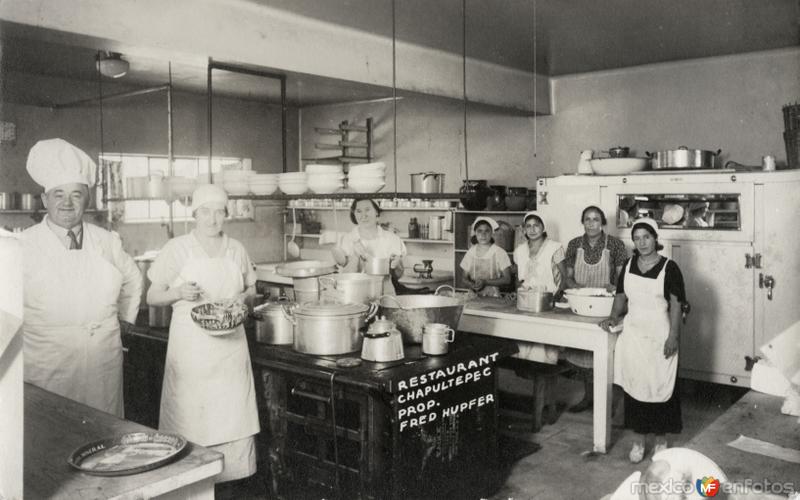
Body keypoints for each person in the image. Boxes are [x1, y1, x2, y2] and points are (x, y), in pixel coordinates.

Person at [147, 184, 259, 485]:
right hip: (192, 350)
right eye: (206, 212)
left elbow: (252, 288)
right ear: (195, 214)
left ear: (226, 215)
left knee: (232, 418)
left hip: (231, 349)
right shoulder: (178, 248)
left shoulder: (236, 248)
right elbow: (152, 296)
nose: (213, 219)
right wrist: (177, 292)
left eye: (219, 212)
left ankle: (231, 485)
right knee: (191, 421)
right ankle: (188, 484)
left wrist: (243, 299)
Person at [22, 138, 142, 417]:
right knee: (52, 439)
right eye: (58, 194)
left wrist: (125, 319)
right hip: (48, 365)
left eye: (76, 194)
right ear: (44, 200)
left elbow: (133, 279)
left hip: (103, 363)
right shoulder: (22, 246)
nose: (66, 203)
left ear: (87, 199)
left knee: (105, 438)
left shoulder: (106, 241)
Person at [599, 218, 687, 463]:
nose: (642, 242)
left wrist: (673, 337)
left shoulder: (670, 268)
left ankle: (660, 441)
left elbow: (677, 305)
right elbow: (620, 296)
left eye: (646, 237)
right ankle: (639, 442)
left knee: (660, 388)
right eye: (637, 238)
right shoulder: (628, 265)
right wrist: (612, 317)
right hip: (634, 336)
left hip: (660, 335)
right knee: (635, 389)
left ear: (655, 238)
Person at [564, 206, 628, 412]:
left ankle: (608, 403)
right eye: (588, 219)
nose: (592, 223)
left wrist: (614, 286)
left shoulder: (616, 245)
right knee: (583, 354)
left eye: (596, 219)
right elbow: (569, 276)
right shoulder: (575, 244)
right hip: (582, 305)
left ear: (603, 223)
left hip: (607, 307)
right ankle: (588, 398)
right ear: (582, 222)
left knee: (606, 356)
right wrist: (574, 287)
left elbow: (622, 278)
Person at [332, 198, 406, 295]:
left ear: (377, 213)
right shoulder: (346, 240)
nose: (364, 215)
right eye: (359, 211)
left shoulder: (392, 239)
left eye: (367, 210)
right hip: (355, 295)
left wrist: (397, 264)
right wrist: (355, 257)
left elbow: (397, 276)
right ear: (354, 214)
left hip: (384, 295)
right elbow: (345, 278)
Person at [513, 211, 566, 293]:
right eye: (528, 226)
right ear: (524, 229)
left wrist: (557, 296)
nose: (532, 230)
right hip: (526, 297)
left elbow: (565, 277)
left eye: (536, 225)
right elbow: (518, 279)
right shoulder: (519, 251)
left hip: (550, 297)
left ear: (543, 228)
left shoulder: (555, 248)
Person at [460, 217, 512, 297]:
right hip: (474, 297)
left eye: (487, 231)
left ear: (492, 233)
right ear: (475, 233)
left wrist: (486, 282)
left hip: (493, 298)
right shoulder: (470, 252)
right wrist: (471, 284)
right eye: (479, 231)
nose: (483, 234)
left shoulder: (500, 252)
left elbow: (507, 279)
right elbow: (464, 278)